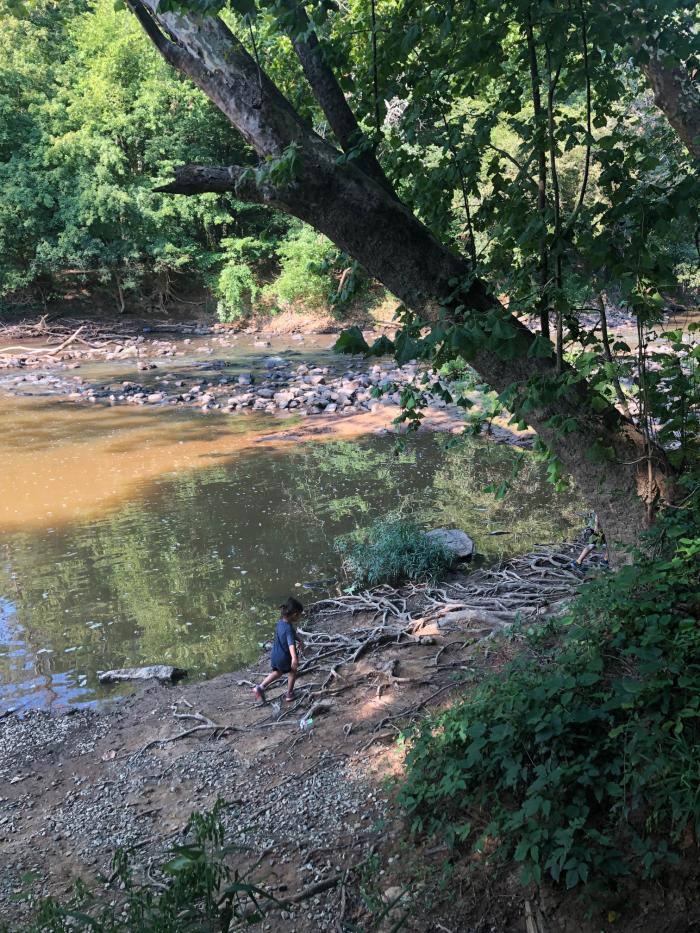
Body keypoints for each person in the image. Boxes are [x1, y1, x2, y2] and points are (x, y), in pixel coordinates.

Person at [253, 597, 305, 704]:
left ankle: (260, 687)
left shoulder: (281, 623)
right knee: (292, 672)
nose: (300, 617)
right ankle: (289, 694)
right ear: (294, 614)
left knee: (277, 672)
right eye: (299, 615)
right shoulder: (289, 628)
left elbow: (290, 635)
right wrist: (294, 658)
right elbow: (290, 644)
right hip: (284, 656)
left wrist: (300, 639)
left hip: (275, 655)